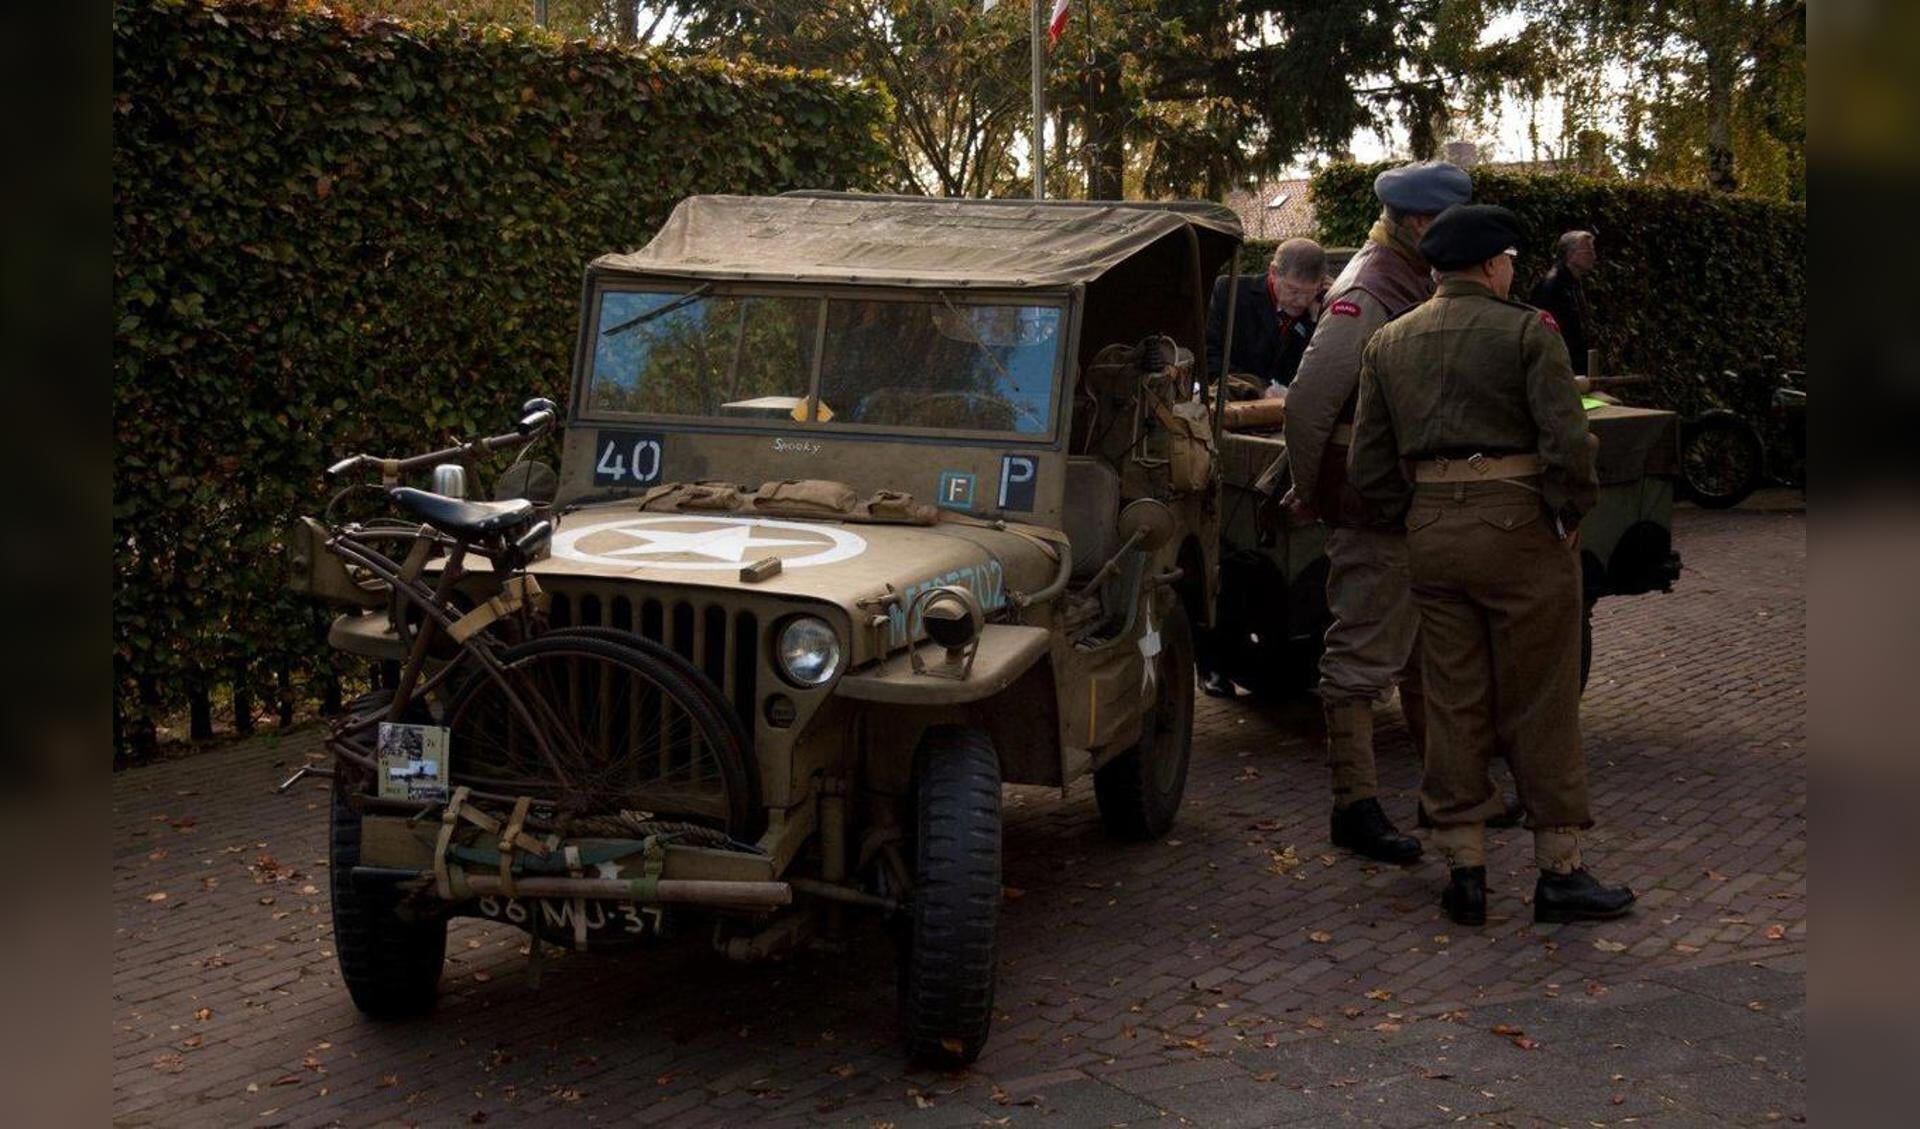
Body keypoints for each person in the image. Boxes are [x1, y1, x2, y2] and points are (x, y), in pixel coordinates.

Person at [1347, 203, 1635, 926]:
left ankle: (1464, 866)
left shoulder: (1388, 341)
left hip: (1433, 535)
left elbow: (1369, 468)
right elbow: (1568, 443)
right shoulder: (1529, 332)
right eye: (1508, 259)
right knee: (1541, 697)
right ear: (1489, 265)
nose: (1512, 270)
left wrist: (1411, 519)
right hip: (1520, 530)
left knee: (1450, 699)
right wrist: (1567, 514)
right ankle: (1560, 868)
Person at [1280, 160, 1471, 864]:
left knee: (1427, 654)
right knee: (1360, 659)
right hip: (1375, 503)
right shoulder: (1369, 287)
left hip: (1410, 502)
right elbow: (1309, 401)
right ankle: (1353, 804)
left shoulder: (1408, 279)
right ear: (1419, 223)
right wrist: (1311, 488)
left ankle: (1447, 794)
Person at [1204, 238, 1327, 391]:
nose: (1301, 302)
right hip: (1235, 403)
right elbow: (1208, 358)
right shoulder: (1230, 293)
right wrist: (1258, 389)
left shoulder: (1324, 309)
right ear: (1273, 273)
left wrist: (1315, 321)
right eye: (1293, 290)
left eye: (1309, 292)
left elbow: (1318, 372)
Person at [1530, 231, 1596, 374]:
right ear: (1571, 254)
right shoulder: (1552, 286)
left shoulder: (1573, 284)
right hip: (1560, 368)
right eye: (1588, 252)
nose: (1593, 257)